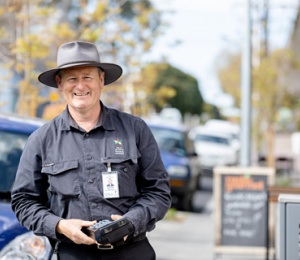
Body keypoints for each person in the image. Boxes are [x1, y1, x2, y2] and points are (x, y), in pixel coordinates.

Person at [11, 41, 171, 260]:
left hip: (132, 253)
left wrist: (131, 222)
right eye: (72, 79)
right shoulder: (41, 139)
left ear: (101, 80)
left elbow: (159, 192)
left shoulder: (135, 129)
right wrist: (59, 225)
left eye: (87, 77)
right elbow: (23, 201)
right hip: (72, 254)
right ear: (59, 83)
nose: (80, 86)